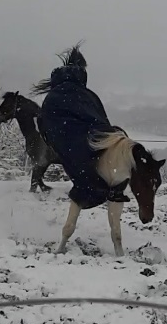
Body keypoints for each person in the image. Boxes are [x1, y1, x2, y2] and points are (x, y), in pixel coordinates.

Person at [33, 44, 130, 210]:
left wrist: (51, 138)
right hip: (87, 141)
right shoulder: (87, 95)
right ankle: (103, 189)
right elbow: (100, 120)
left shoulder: (52, 97)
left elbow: (44, 121)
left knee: (77, 161)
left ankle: (89, 191)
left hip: (61, 140)